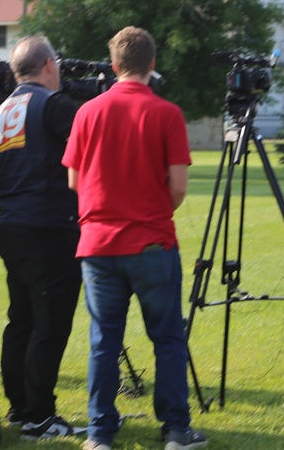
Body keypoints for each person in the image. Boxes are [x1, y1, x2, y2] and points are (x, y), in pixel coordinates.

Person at [62, 26, 205, 450]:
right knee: (167, 338)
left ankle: (100, 433)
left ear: (113, 66)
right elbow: (178, 186)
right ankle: (176, 428)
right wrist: (154, 209)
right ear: (152, 64)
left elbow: (74, 179)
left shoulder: (87, 112)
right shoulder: (167, 113)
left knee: (104, 340)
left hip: (98, 244)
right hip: (151, 241)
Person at [0, 36, 84, 440]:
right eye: (56, 64)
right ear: (47, 65)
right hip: (49, 225)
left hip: (12, 224)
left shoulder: (2, 110)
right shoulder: (54, 104)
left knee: (21, 319)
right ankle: (41, 415)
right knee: (50, 323)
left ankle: (21, 407)